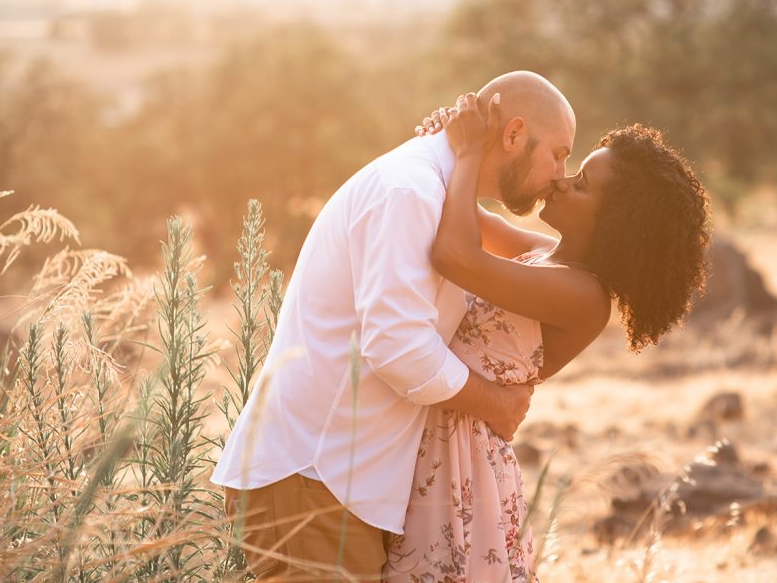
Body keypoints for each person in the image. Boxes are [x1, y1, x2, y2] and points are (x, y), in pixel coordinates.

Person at [211, 71, 576, 581]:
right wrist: (497, 403)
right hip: (313, 479)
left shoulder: (441, 195)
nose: (561, 173)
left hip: (342, 488)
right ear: (513, 134)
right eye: (558, 153)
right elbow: (398, 347)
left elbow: (555, 260)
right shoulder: (410, 192)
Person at [383, 93, 711, 581]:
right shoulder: (546, 253)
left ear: (614, 224)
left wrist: (470, 153)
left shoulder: (583, 296)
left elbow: (456, 255)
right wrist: (446, 144)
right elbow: (470, 217)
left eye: (580, 184)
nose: (560, 180)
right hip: (432, 432)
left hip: (462, 463)